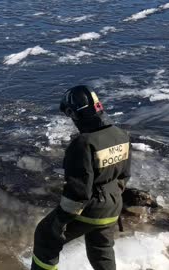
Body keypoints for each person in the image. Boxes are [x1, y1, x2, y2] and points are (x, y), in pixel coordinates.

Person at [31, 85, 131, 270]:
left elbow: (78, 191)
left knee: (45, 237)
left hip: (92, 208)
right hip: (113, 205)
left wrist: (60, 221)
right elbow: (125, 176)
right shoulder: (121, 134)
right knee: (101, 246)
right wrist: (112, 198)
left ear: (74, 114)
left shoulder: (83, 144)